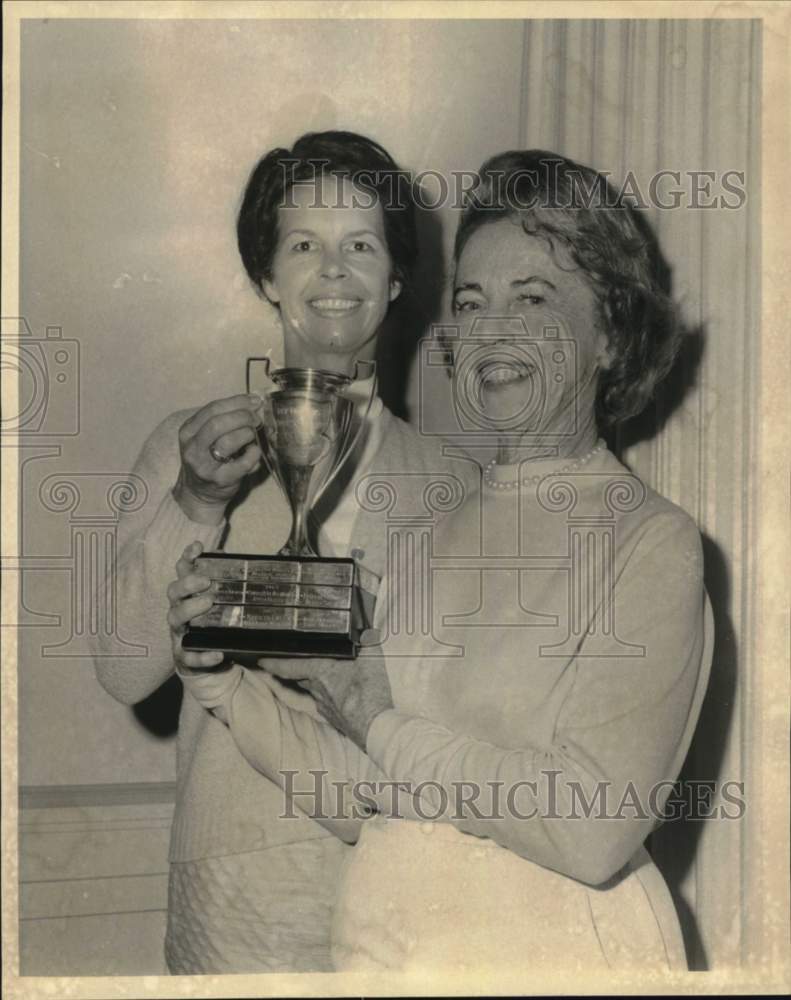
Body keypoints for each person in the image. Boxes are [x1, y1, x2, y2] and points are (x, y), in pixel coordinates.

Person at [171, 150, 714, 972]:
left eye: (531, 298)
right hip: (391, 952)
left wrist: (374, 717)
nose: (490, 329)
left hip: (553, 959)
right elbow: (373, 796)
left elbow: (591, 828)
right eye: (471, 300)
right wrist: (224, 684)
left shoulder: (650, 542)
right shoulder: (434, 528)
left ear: (608, 332)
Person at [92, 130, 475, 974]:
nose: (333, 272)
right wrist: (196, 502)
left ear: (397, 278)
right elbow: (124, 671)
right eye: (304, 245)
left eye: (361, 246)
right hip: (237, 900)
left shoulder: (457, 482)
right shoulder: (191, 446)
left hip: (405, 885)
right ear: (266, 275)